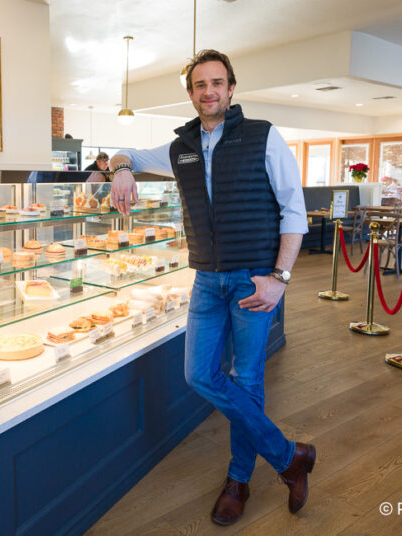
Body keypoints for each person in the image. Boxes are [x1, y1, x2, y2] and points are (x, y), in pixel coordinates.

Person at [109, 50, 315, 525]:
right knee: (198, 375)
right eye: (200, 85)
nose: (209, 91)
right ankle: (289, 457)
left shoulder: (263, 135)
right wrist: (121, 167)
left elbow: (294, 212)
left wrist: (279, 278)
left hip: (253, 280)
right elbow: (127, 153)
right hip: (205, 280)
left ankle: (239, 479)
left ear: (231, 89)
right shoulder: (180, 146)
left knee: (247, 381)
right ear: (191, 93)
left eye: (217, 83)